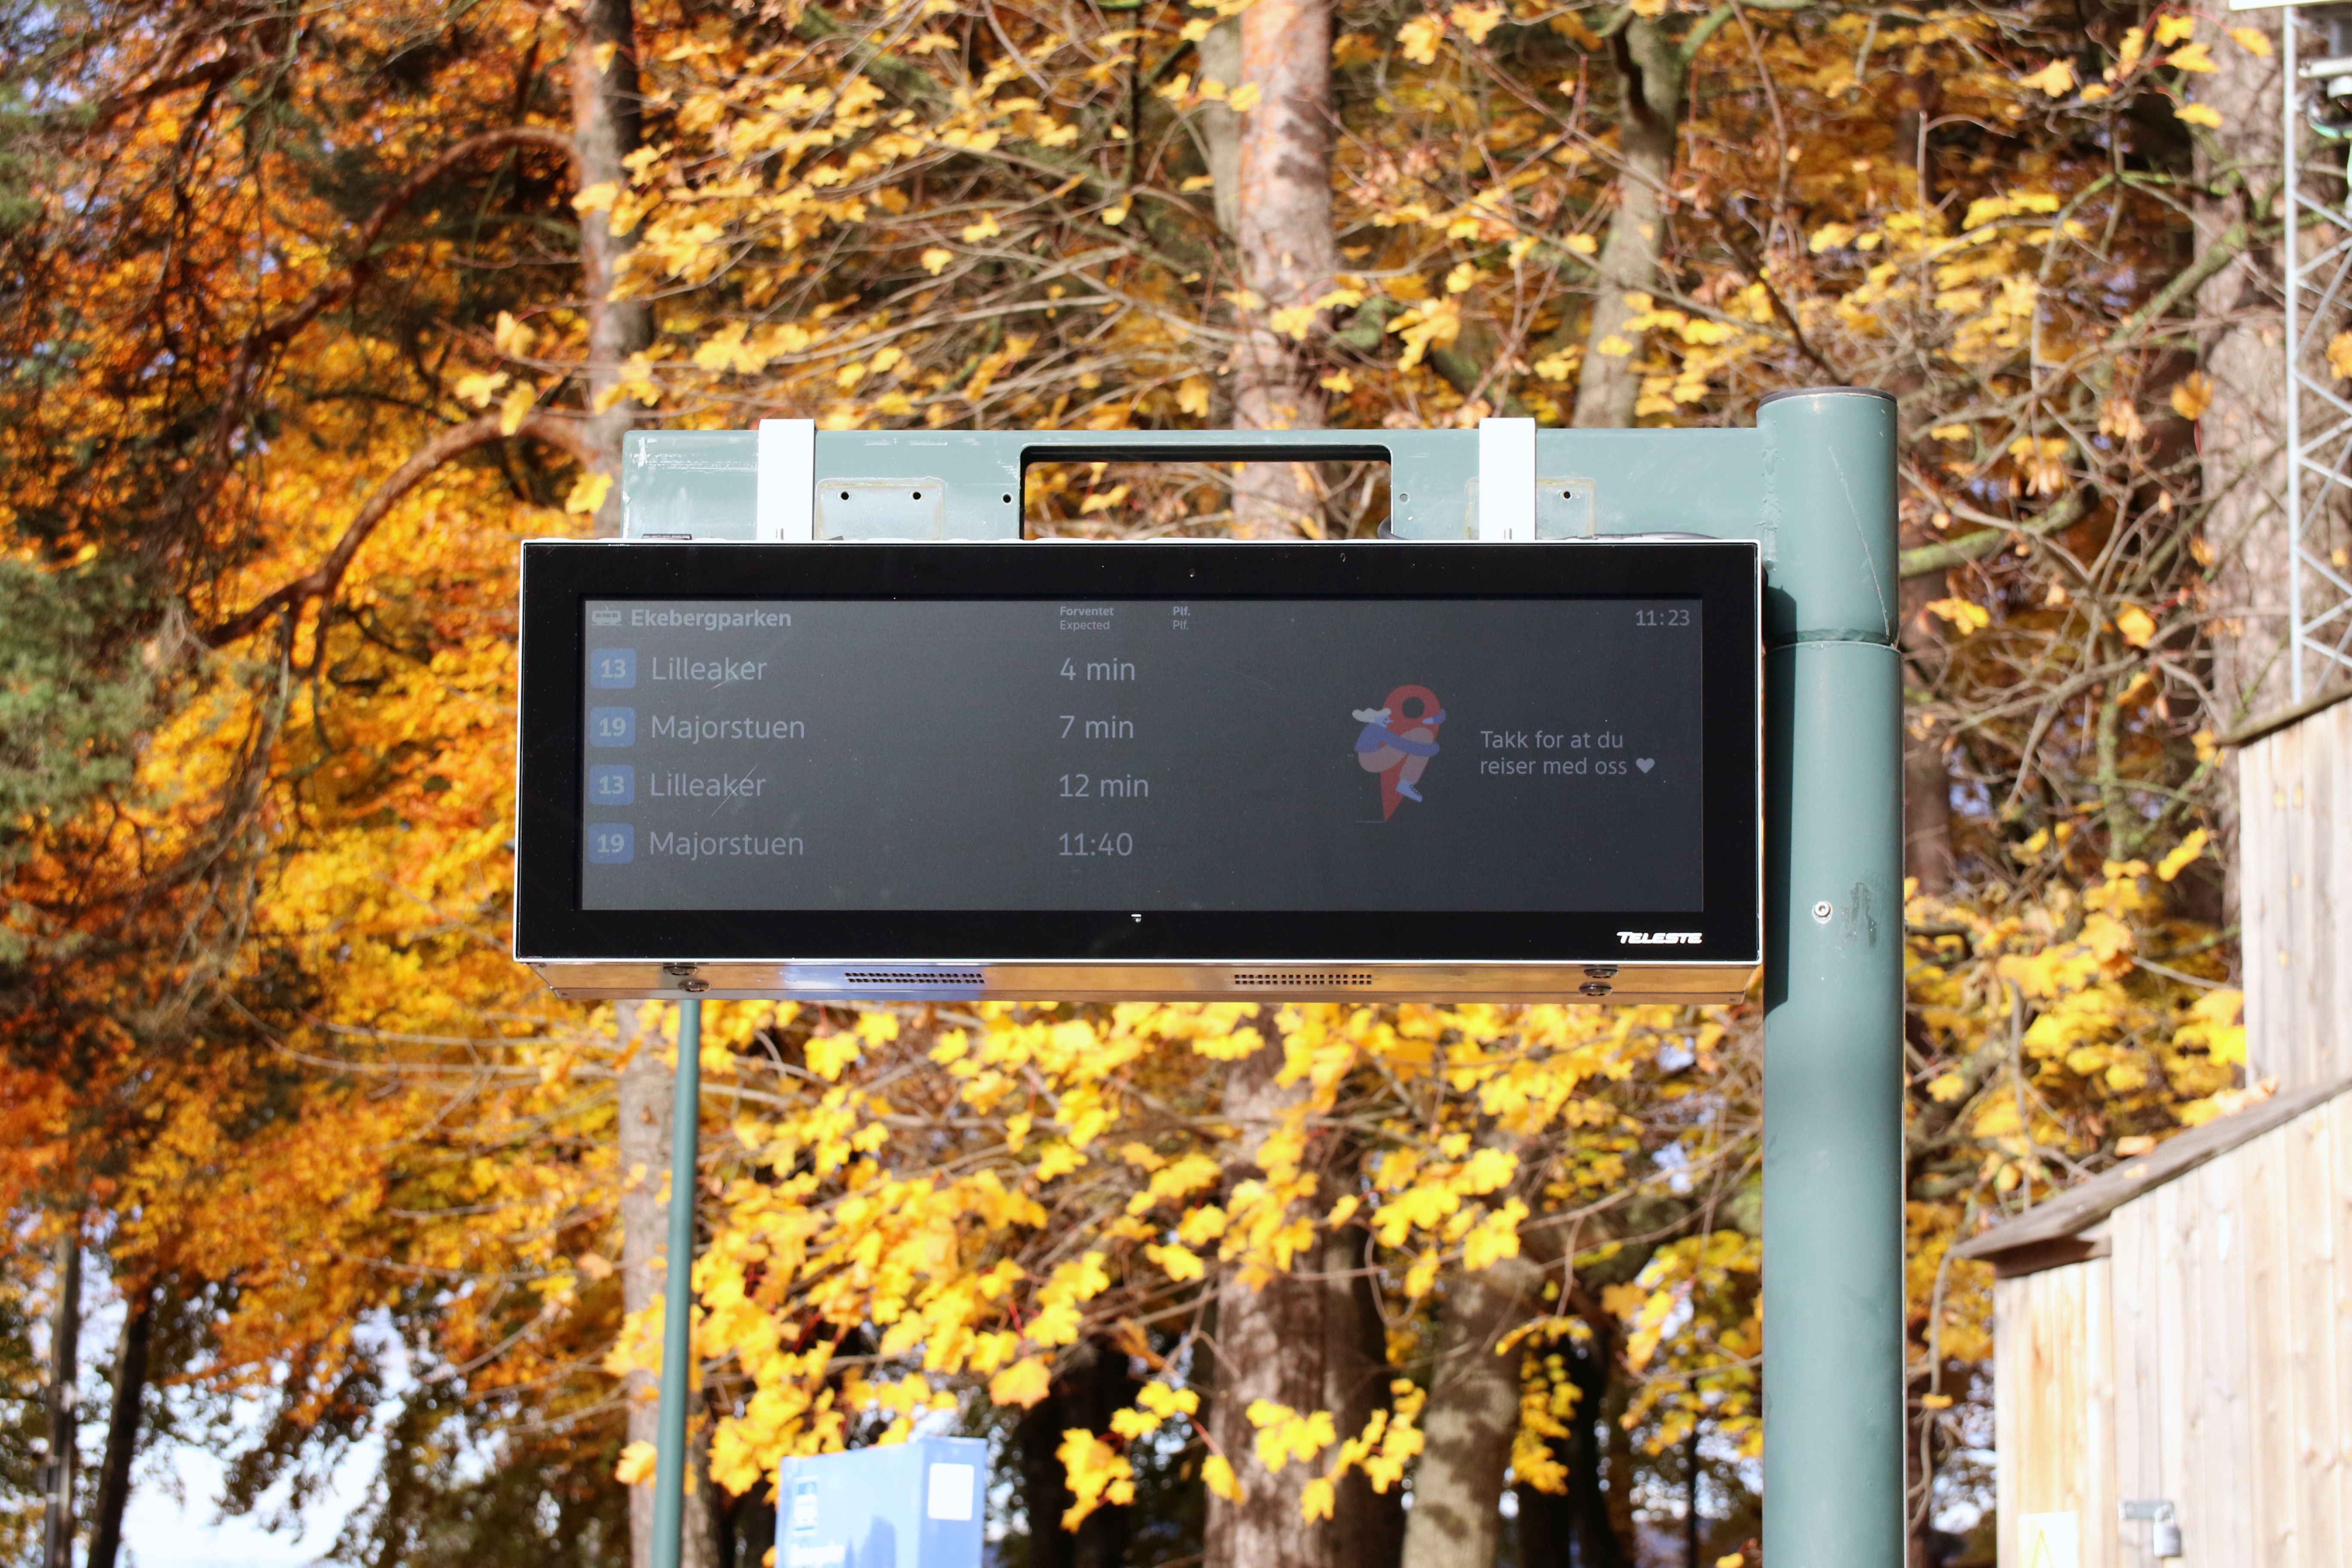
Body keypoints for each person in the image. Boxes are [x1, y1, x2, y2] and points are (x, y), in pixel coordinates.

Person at [1353, 685, 1445, 809]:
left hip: (1374, 758)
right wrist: (1432, 749)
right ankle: (1405, 784)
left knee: (1423, 735)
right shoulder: (1375, 729)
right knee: (1420, 739)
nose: (1390, 722)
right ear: (1376, 718)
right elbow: (1401, 744)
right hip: (1371, 760)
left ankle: (1406, 784)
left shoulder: (1376, 729)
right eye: (1386, 719)